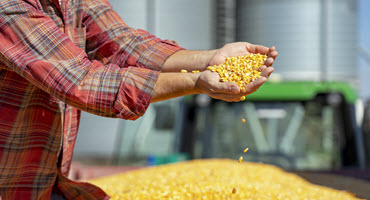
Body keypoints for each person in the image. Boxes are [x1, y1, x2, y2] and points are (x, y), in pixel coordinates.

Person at [0, 0, 278, 199]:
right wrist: (196, 81)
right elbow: (82, 81)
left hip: (42, 184)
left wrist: (209, 59)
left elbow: (121, 42)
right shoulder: (8, 8)